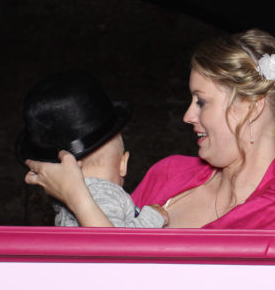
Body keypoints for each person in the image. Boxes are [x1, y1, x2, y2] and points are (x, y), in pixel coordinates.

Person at [25, 30, 275, 229]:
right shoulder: (168, 173)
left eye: (201, 102)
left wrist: (77, 198)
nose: (187, 116)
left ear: (252, 107)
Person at [17, 70, 168, 228]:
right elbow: (116, 241)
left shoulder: (63, 205)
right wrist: (152, 217)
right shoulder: (105, 195)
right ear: (123, 164)